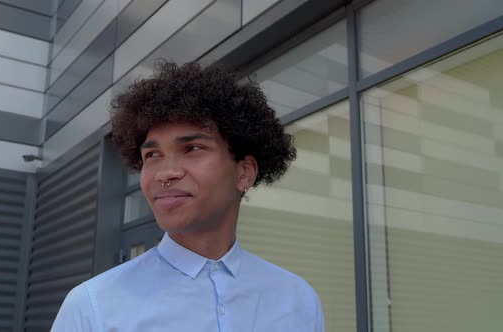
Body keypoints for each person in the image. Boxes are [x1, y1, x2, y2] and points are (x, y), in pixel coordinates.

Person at [51, 62, 325, 331]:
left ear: (244, 172)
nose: (165, 173)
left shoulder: (298, 301)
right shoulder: (92, 308)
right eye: (153, 155)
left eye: (193, 148)